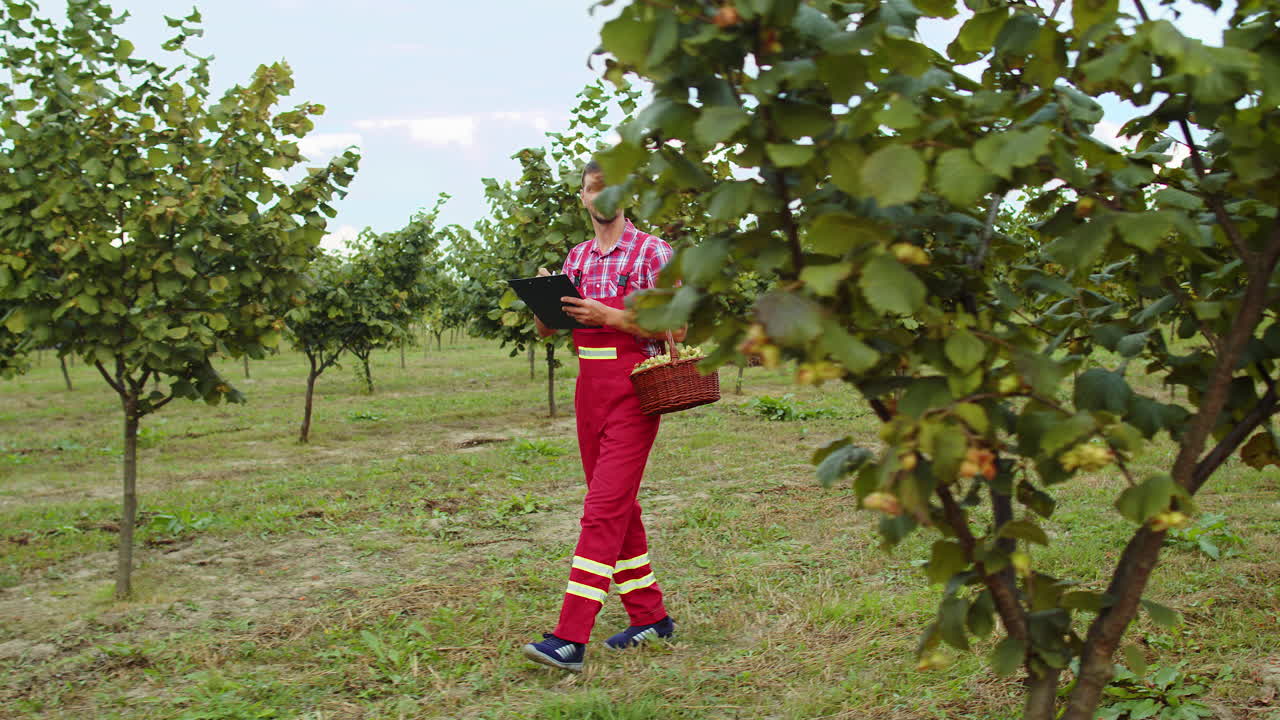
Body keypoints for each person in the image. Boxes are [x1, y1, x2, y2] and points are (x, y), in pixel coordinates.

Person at [520, 160, 684, 673]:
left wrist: (611, 315)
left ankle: (571, 636)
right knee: (617, 508)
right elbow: (550, 331)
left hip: (635, 390)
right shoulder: (578, 257)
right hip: (588, 391)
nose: (601, 195)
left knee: (601, 511)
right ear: (584, 199)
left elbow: (675, 325)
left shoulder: (653, 252)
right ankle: (650, 617)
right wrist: (546, 299)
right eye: (593, 188)